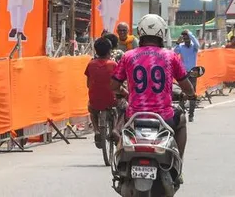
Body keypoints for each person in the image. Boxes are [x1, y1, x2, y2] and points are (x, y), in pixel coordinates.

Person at [111, 15, 195, 163]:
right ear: (162, 33)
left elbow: (114, 86)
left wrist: (127, 94)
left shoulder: (128, 56)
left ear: (140, 33)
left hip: (134, 117)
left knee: (121, 125)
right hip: (164, 117)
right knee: (181, 120)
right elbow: (185, 84)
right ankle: (178, 162)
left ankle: (120, 165)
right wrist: (191, 94)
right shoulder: (171, 56)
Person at [86, 36, 120, 149]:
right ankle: (115, 128)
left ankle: (96, 130)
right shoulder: (114, 65)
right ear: (110, 50)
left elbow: (88, 84)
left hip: (95, 100)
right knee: (120, 108)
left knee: (92, 110)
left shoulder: (90, 64)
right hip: (112, 100)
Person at [174, 31, 201, 118]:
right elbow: (174, 53)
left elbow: (197, 44)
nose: (186, 40)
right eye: (184, 38)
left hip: (193, 72)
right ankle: (182, 111)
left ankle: (191, 114)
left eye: (187, 38)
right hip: (184, 72)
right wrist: (178, 42)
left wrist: (190, 34)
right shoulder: (181, 47)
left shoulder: (194, 47)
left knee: (192, 93)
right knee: (183, 92)